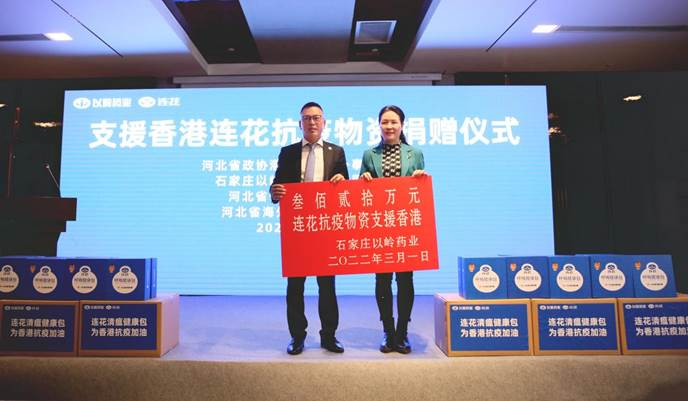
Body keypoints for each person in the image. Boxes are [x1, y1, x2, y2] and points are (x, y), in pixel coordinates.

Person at [270, 101, 349, 355]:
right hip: (298, 231)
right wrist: (274, 192)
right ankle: (297, 336)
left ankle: (329, 335)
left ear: (324, 123)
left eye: (316, 117)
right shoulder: (288, 152)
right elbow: (277, 185)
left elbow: (346, 190)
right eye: (307, 118)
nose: (312, 122)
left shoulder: (336, 152)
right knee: (295, 287)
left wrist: (342, 181)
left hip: (325, 230)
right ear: (300, 123)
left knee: (327, 286)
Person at [359, 105, 426, 354]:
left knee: (406, 280)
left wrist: (421, 177)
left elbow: (421, 191)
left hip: (406, 224)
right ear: (379, 125)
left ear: (402, 125)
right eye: (385, 122)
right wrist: (364, 180)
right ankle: (388, 331)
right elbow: (359, 192)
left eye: (393, 122)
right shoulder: (369, 154)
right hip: (380, 226)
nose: (389, 126)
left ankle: (402, 332)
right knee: (383, 280)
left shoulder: (415, 153)